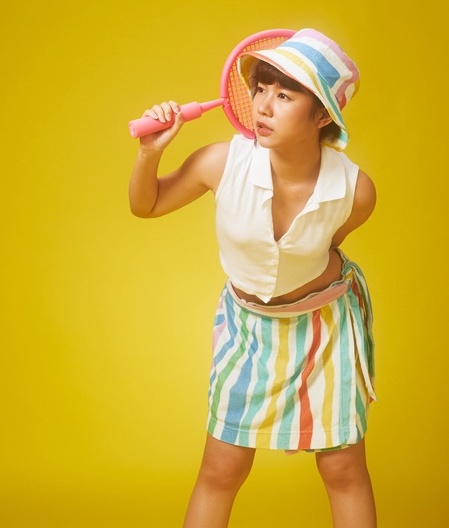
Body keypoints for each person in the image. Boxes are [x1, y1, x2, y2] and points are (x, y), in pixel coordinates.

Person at [129, 28, 377, 528]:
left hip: (323, 331)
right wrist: (150, 152)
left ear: (323, 115)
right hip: (249, 331)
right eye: (260, 89)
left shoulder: (357, 190)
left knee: (343, 468)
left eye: (284, 95)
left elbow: (328, 246)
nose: (263, 105)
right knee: (222, 467)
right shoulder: (221, 163)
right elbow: (146, 204)